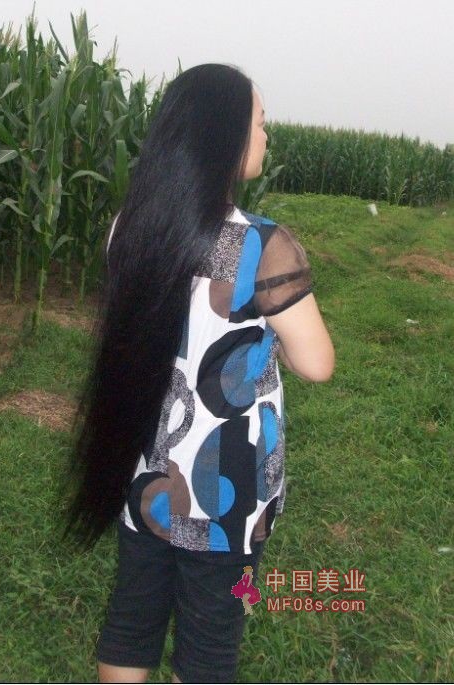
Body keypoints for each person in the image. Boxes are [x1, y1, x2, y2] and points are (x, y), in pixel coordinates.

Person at [60, 63, 335, 684]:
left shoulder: (130, 226)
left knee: (132, 617)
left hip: (145, 465)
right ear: (226, 137)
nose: (266, 135)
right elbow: (317, 363)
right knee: (210, 641)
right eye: (259, 123)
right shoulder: (262, 246)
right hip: (224, 487)